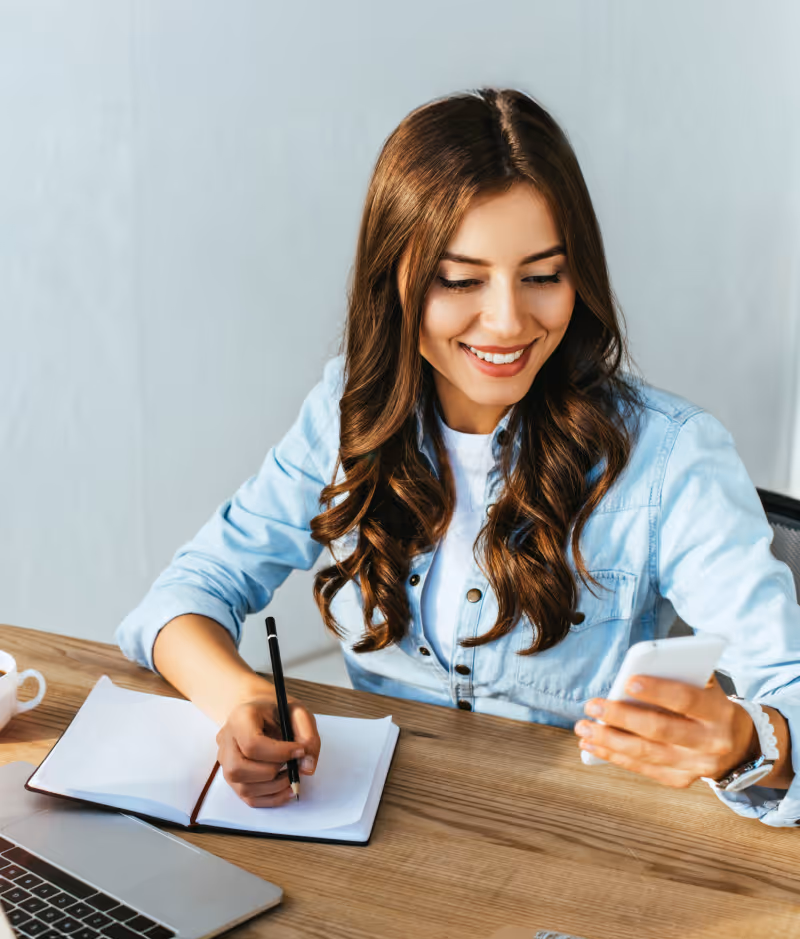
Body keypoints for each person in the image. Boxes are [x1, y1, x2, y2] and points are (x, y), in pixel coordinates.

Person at [117, 88, 800, 826]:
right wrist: (243, 699)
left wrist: (744, 743)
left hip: (584, 849)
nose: (508, 321)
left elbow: (786, 691)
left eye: (543, 275)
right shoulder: (350, 411)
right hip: (383, 835)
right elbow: (185, 595)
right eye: (460, 279)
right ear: (396, 283)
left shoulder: (671, 456)